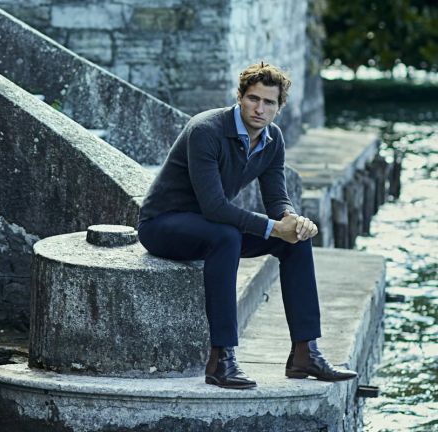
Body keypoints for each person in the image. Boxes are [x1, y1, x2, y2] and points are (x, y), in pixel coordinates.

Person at [137, 62, 357, 389]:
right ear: (239, 97)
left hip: (210, 226)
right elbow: (214, 207)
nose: (259, 108)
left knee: (295, 240)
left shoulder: (273, 139)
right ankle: (221, 360)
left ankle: (305, 353)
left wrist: (291, 220)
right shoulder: (206, 130)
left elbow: (276, 197)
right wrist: (273, 227)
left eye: (269, 102)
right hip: (163, 225)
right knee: (227, 236)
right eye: (253, 99)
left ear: (279, 107)